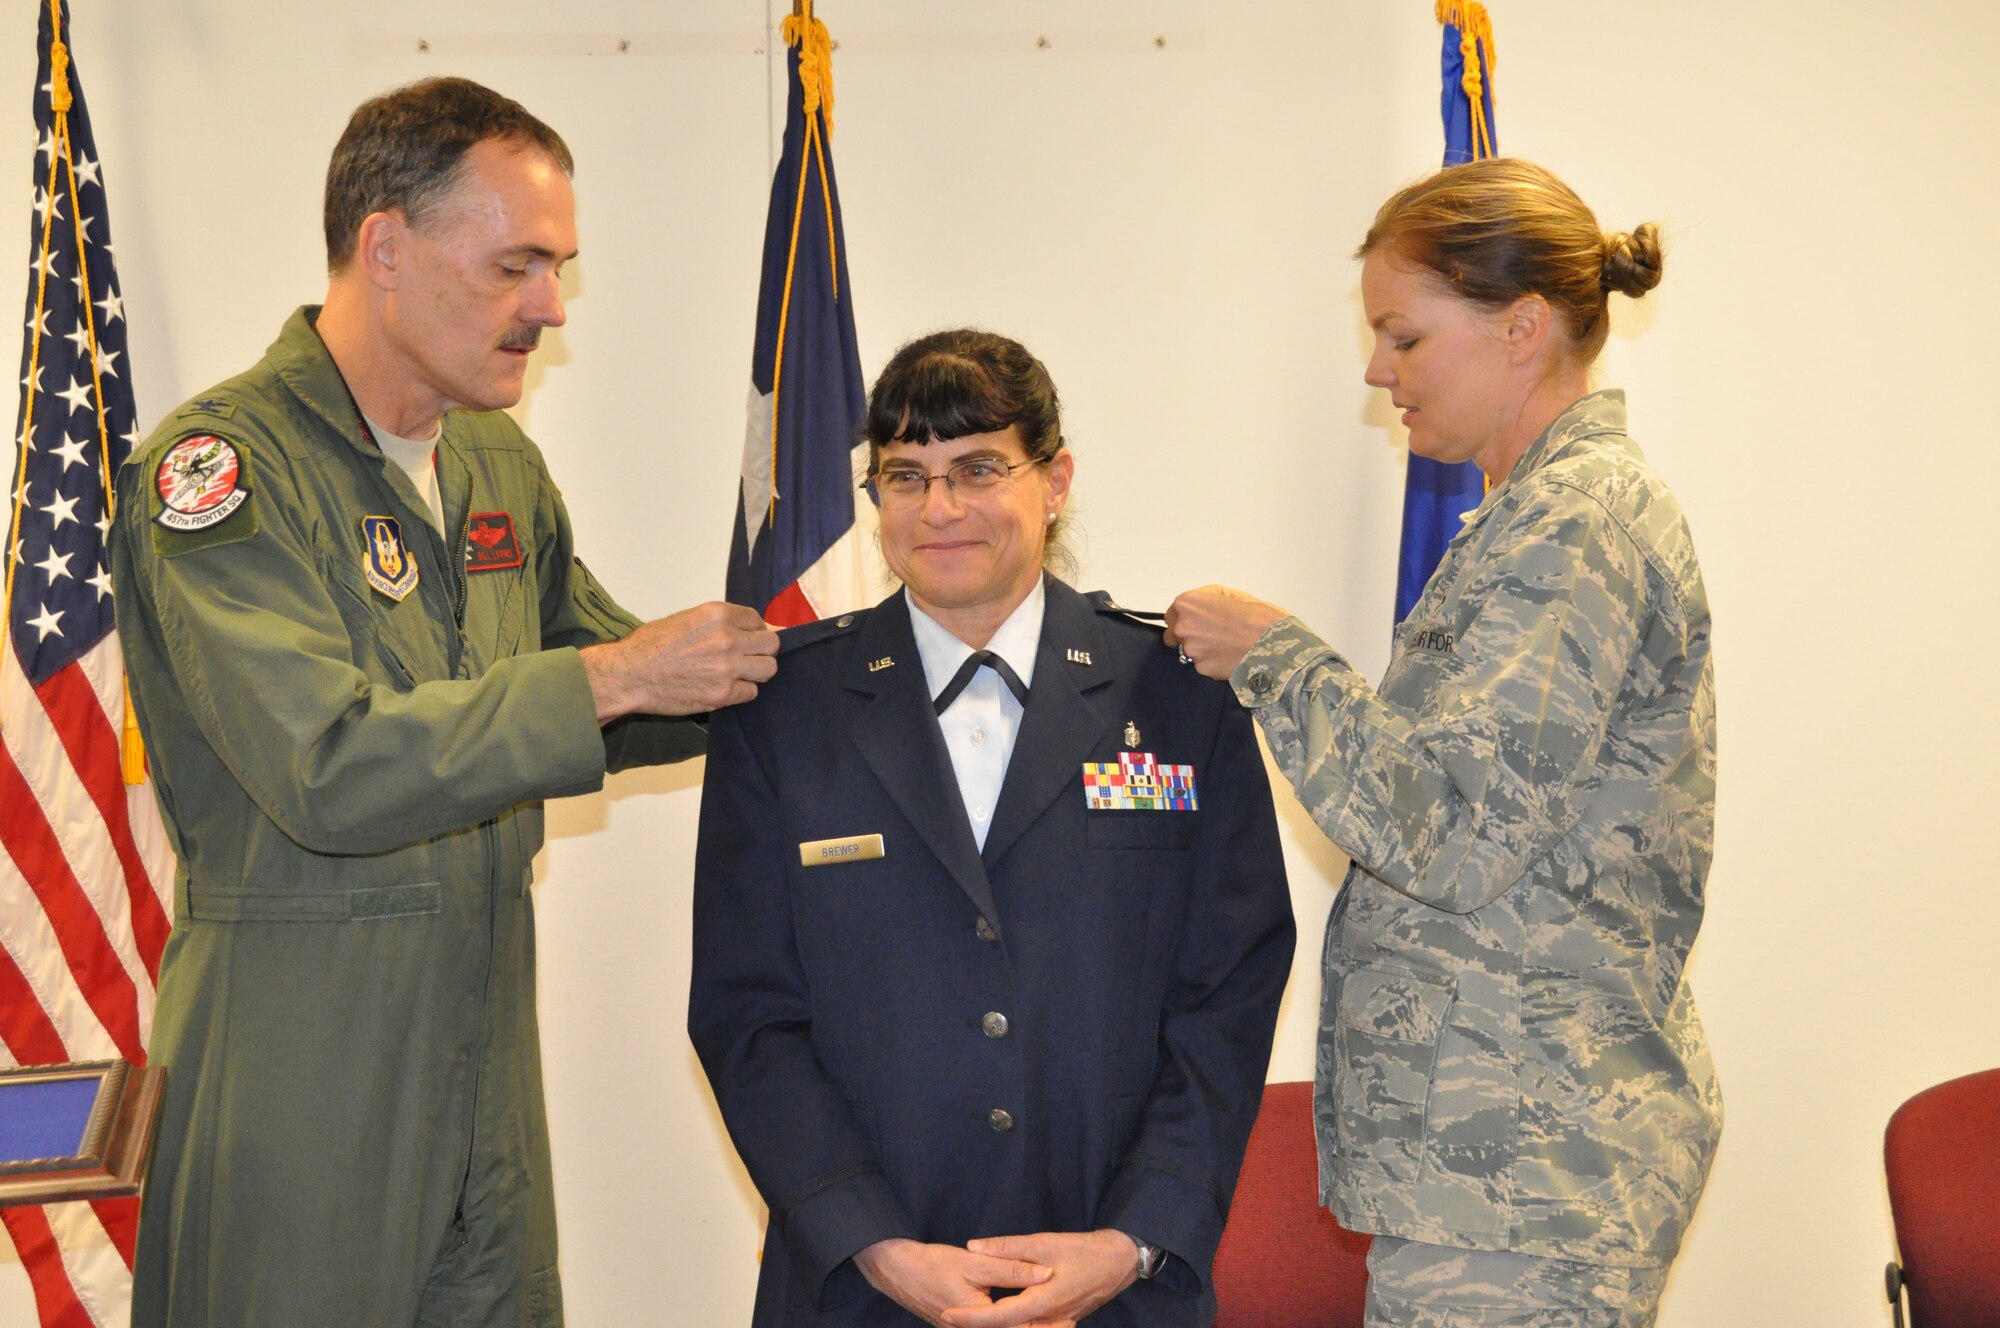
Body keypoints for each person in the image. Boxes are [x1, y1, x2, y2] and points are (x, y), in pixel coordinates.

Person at [109, 78, 778, 1327]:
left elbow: (613, 674)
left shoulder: (490, 459)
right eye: (519, 265)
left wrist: (852, 678)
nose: (548, 308)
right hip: (300, 1055)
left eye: (559, 269)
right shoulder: (220, 472)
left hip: (485, 1054)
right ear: (386, 247)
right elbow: (326, 762)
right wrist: (618, 675)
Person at [1165, 159, 1721, 1328]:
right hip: (1498, 1171)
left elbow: (1451, 831)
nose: (1376, 370)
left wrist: (1277, 655)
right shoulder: (1531, 518)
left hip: (1525, 1177)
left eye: (1402, 337)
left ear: (1520, 328)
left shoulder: (1571, 526)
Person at [689, 329, 1296, 1328]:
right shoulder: (780, 708)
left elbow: (1225, 995)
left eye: (977, 468)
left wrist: (1134, 1236)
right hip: (861, 1288)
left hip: (1114, 1286)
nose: (939, 508)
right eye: (904, 475)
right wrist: (870, 1243)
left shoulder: (1181, 696)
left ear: (1053, 479)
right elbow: (745, 1012)